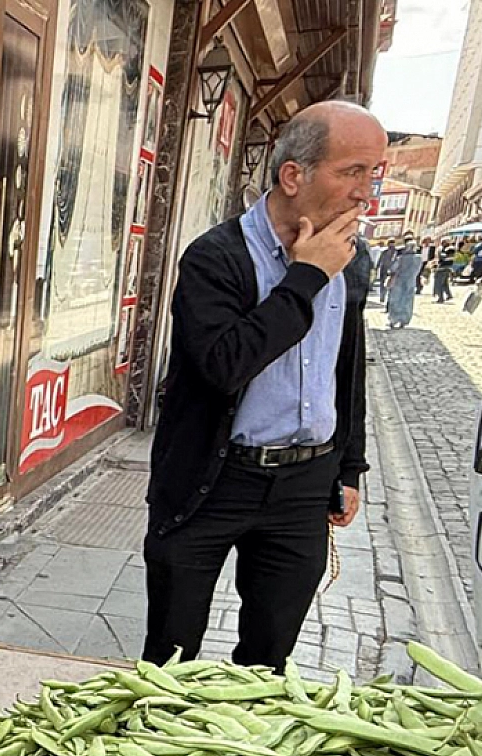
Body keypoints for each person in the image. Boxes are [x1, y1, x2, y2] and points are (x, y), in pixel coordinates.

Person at [141, 100, 379, 668]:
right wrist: (306, 277)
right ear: (293, 175)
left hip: (302, 485)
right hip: (212, 479)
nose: (365, 193)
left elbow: (345, 367)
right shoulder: (214, 258)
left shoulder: (353, 255)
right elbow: (224, 363)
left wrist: (349, 467)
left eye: (374, 173)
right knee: (170, 657)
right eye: (353, 172)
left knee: (269, 660)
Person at [387, 237, 423, 328]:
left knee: (396, 300)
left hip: (399, 281)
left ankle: (393, 319)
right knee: (407, 301)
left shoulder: (401, 258)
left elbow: (393, 268)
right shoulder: (419, 258)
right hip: (411, 281)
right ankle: (404, 320)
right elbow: (418, 271)